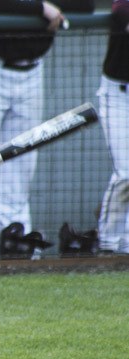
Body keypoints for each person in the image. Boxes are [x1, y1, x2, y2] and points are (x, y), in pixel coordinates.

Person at [0, 0, 95, 261]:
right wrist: (38, 7)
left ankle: (15, 229)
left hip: (32, 70)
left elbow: (85, 5)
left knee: (23, 157)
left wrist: (43, 6)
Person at [96, 0, 129, 254]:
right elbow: (121, 9)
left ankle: (125, 241)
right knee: (126, 172)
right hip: (118, 93)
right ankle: (108, 241)